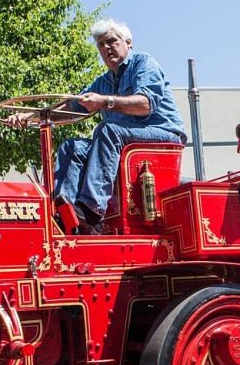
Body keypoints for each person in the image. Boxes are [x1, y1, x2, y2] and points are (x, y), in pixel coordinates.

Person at [53, 19, 187, 228]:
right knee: (72, 147)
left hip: (163, 135)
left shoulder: (144, 64)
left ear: (128, 42)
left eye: (111, 41)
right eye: (101, 45)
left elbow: (144, 105)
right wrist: (32, 116)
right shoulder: (103, 82)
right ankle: (65, 213)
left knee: (108, 130)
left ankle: (91, 210)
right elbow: (72, 105)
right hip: (124, 140)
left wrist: (105, 101)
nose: (106, 48)